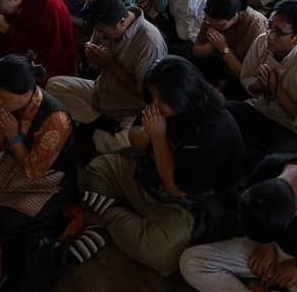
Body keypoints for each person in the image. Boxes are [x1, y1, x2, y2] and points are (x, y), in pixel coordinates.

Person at [79, 55, 245, 275]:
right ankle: (114, 223)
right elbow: (135, 139)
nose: (154, 105)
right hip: (148, 177)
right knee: (98, 169)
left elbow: (175, 187)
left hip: (184, 204)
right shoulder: (161, 103)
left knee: (160, 255)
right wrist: (149, 132)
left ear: (182, 96)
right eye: (153, 99)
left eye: (161, 101)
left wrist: (159, 137)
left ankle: (107, 213)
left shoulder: (214, 132)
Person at [0, 55, 75, 292]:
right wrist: (2, 129)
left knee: (1, 222)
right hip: (11, 162)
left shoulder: (56, 119)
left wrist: (14, 136)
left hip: (49, 179)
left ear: (27, 93)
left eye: (3, 96)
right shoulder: (4, 103)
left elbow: (34, 171)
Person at [180, 150, 297, 292]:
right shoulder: (269, 167)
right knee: (192, 261)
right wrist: (266, 244)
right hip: (266, 249)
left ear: (296, 210)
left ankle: (264, 285)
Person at [46, 0, 167, 154]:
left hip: (131, 110)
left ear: (122, 21)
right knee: (54, 85)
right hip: (101, 92)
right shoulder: (105, 25)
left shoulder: (149, 42)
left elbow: (143, 94)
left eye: (102, 32)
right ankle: (99, 122)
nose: (100, 35)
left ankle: (91, 132)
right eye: (98, 31)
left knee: (122, 144)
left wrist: (110, 64)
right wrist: (91, 58)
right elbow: (95, 66)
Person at [228, 0, 297, 172]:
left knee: (273, 163)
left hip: (293, 130)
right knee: (226, 113)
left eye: (279, 32)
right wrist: (258, 86)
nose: (270, 35)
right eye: (269, 26)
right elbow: (246, 78)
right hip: (261, 110)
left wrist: (277, 91)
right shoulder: (262, 42)